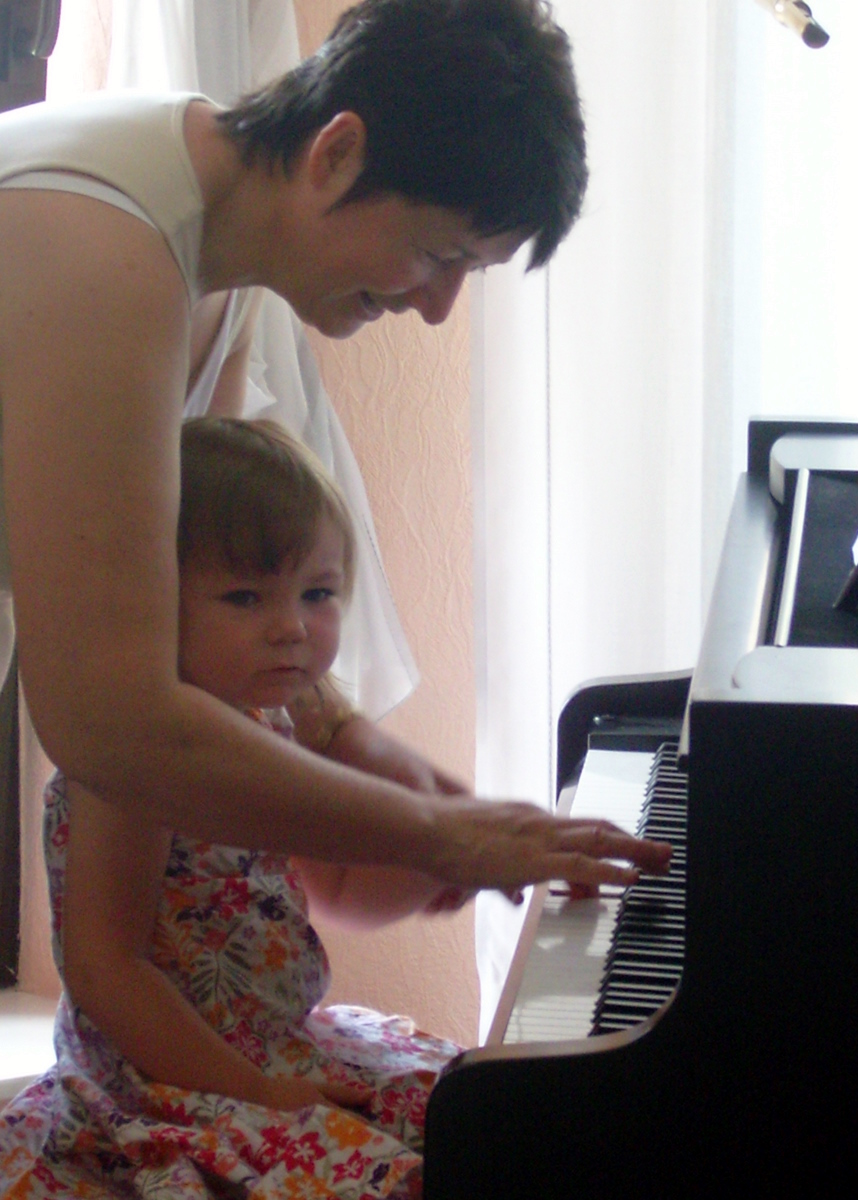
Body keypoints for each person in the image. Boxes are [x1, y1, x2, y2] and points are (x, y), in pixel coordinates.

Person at [0, 0, 667, 958]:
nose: (437, 308)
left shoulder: (209, 242)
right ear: (338, 152)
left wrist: (381, 766)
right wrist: (439, 834)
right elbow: (108, 722)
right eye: (439, 255)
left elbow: (192, 595)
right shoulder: (107, 248)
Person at [2, 416, 523, 1197]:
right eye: (245, 596)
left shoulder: (265, 724)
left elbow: (334, 890)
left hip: (273, 1046)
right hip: (159, 1079)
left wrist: (435, 864)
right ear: (155, 602)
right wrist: (258, 1091)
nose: (291, 629)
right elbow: (106, 970)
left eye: (318, 593)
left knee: (488, 1119)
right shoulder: (136, 755)